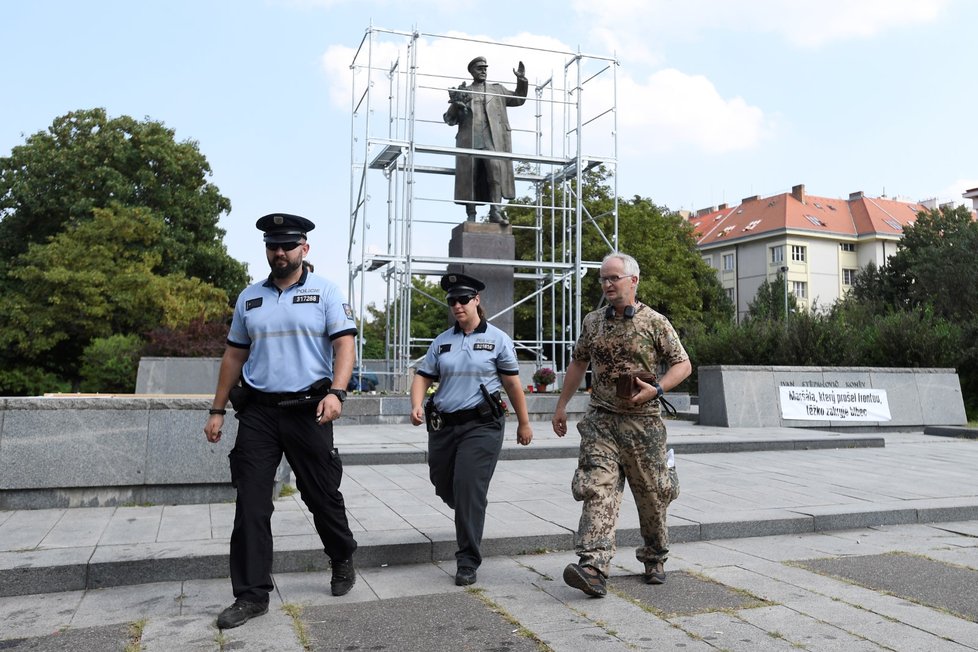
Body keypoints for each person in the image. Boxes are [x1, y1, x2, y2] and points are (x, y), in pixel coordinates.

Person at [204, 213, 359, 629]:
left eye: (287, 246)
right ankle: (251, 595)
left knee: (320, 495)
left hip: (310, 409)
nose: (279, 253)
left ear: (304, 249)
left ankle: (342, 554)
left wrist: (337, 392)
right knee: (251, 503)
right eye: (273, 246)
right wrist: (217, 409)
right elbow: (234, 356)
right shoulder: (250, 297)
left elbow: (345, 345)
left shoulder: (325, 292)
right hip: (258, 413)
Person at [551, 252, 692, 597]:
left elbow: (683, 364)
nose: (607, 284)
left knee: (652, 496)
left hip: (643, 426)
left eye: (614, 278)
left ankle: (654, 556)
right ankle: (593, 567)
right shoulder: (593, 322)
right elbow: (578, 363)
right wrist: (561, 405)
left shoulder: (655, 322)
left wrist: (657, 389)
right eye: (603, 279)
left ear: (634, 280)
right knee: (597, 488)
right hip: (601, 421)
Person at [410, 272, 533, 585]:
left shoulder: (497, 340)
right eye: (452, 301)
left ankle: (467, 560)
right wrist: (415, 403)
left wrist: (524, 422)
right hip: (444, 428)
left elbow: (512, 384)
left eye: (463, 299)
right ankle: (470, 504)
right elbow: (424, 376)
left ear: (477, 300)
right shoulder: (442, 341)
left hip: (482, 426)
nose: (457, 305)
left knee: (467, 487)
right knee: (442, 481)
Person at [443, 56, 528, 225]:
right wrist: (456, 104)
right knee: (470, 177)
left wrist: (521, 80)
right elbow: (449, 120)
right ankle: (471, 215)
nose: (483, 71)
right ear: (472, 71)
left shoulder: (497, 90)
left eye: (485, 68)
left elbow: (519, 99)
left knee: (495, 173)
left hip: (493, 140)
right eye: (479, 68)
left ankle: (495, 211)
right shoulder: (464, 91)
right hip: (470, 140)